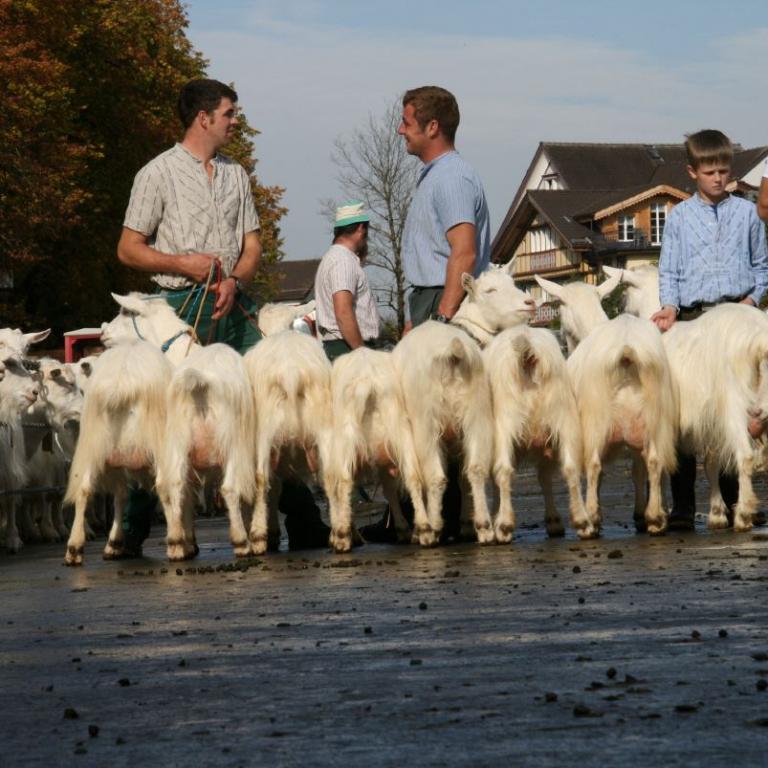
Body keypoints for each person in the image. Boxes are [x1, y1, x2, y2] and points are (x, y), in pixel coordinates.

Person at [116, 78, 328, 555]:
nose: (236, 121)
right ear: (203, 117)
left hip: (234, 306)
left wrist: (234, 280)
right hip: (178, 309)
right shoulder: (156, 173)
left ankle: (304, 520)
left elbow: (252, 246)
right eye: (229, 113)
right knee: (167, 415)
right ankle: (131, 530)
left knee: (265, 405)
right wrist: (182, 264)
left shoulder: (236, 175)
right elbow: (128, 248)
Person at [363, 85, 491, 543]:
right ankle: (425, 513)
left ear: (432, 127)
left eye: (406, 121)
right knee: (428, 411)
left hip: (444, 298)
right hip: (431, 298)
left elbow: (463, 251)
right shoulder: (436, 176)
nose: (400, 130)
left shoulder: (451, 178)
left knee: (441, 413)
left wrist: (441, 318)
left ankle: (447, 519)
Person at [651, 129, 768, 531]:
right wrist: (669, 307)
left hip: (736, 320)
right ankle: (683, 506)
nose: (718, 178)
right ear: (692, 172)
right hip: (693, 321)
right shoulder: (679, 218)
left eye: (723, 171)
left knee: (732, 408)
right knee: (683, 410)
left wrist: (751, 301)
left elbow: (762, 267)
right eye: (710, 172)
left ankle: (737, 500)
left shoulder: (747, 214)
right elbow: (669, 270)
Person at [314, 201, 380, 361]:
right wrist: (362, 354)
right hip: (348, 351)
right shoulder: (342, 261)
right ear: (361, 228)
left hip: (345, 349)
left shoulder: (335, 258)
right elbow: (343, 312)